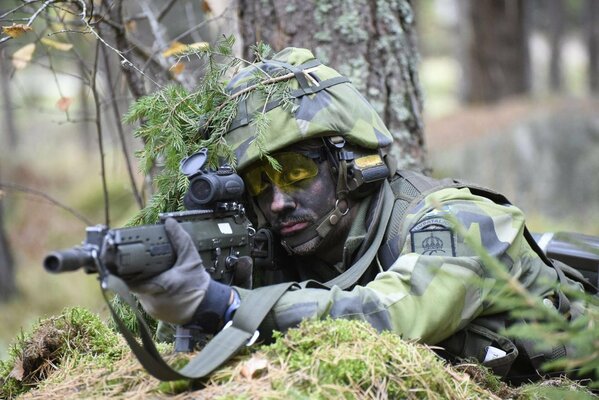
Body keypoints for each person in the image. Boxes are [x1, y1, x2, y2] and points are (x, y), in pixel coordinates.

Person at [131, 47, 596, 383]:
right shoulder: (289, 247)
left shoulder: (455, 221)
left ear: (350, 164)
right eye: (259, 184)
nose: (276, 202)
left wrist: (229, 306)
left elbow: (393, 316)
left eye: (295, 172)